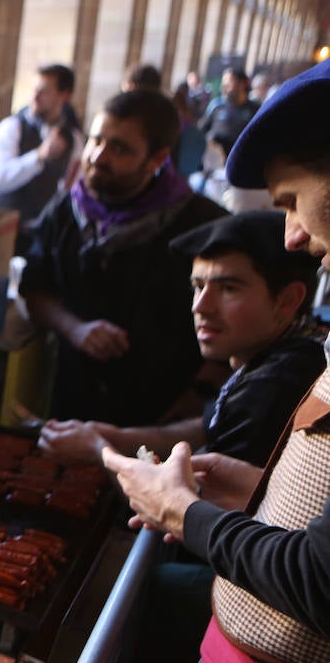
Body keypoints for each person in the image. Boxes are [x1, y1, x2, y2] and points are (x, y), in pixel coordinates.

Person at [102, 57, 330, 663]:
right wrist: (262, 493)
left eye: (297, 202)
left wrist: (184, 515)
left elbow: (324, 582)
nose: (295, 234)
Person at [41, 211, 323, 469]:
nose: (201, 306)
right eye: (198, 287)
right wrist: (115, 436)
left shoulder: (279, 383)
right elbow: (211, 426)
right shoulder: (288, 347)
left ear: (287, 300)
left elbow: (192, 515)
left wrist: (99, 452)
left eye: (228, 288)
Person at [20, 89, 227, 427]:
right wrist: (74, 329)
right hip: (74, 406)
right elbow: (35, 289)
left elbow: (237, 323)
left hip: (163, 417)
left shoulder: (204, 226)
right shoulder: (66, 211)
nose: (98, 156)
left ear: (157, 160)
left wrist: (197, 396)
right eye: (96, 140)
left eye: (119, 148)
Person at [0, 63, 83, 248]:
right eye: (34, 89)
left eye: (44, 91)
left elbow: (73, 186)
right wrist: (38, 156)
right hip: (5, 231)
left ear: (64, 96)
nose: (35, 97)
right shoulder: (13, 127)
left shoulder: (74, 139)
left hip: (44, 234)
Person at [200, 66, 260, 159]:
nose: (223, 88)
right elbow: (202, 130)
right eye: (223, 85)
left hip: (241, 162)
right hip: (215, 163)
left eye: (228, 85)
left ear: (243, 84)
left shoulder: (255, 110)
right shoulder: (216, 105)